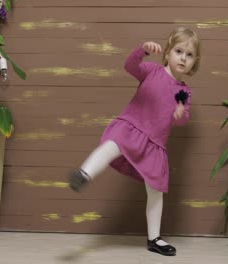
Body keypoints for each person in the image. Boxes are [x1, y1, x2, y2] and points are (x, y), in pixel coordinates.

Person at [69, 27, 201, 256]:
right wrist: (141, 51)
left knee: (156, 191)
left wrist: (181, 115)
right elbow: (130, 66)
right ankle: (84, 173)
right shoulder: (152, 71)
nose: (183, 58)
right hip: (132, 128)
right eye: (179, 51)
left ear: (194, 62)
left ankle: (154, 239)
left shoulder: (183, 92)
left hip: (155, 145)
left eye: (189, 55)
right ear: (168, 52)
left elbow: (182, 119)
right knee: (110, 146)